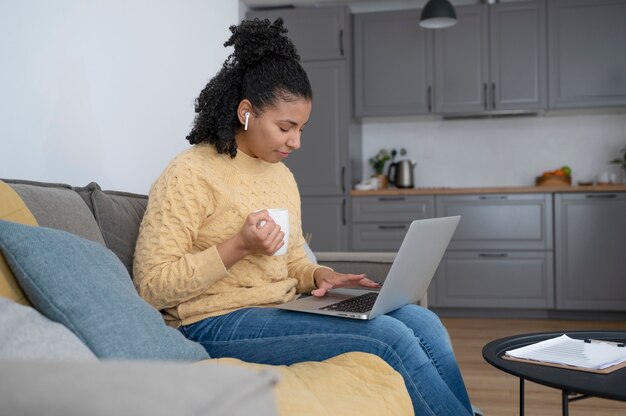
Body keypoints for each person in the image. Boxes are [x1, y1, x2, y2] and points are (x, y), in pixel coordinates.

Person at [133, 18, 473, 415]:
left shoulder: (282, 177)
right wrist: (237, 246)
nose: (296, 141)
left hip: (283, 306)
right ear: (246, 113)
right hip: (214, 321)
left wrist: (318, 275)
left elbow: (293, 260)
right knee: (388, 338)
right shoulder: (190, 172)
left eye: (301, 128)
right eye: (285, 127)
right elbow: (151, 285)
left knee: (423, 322)